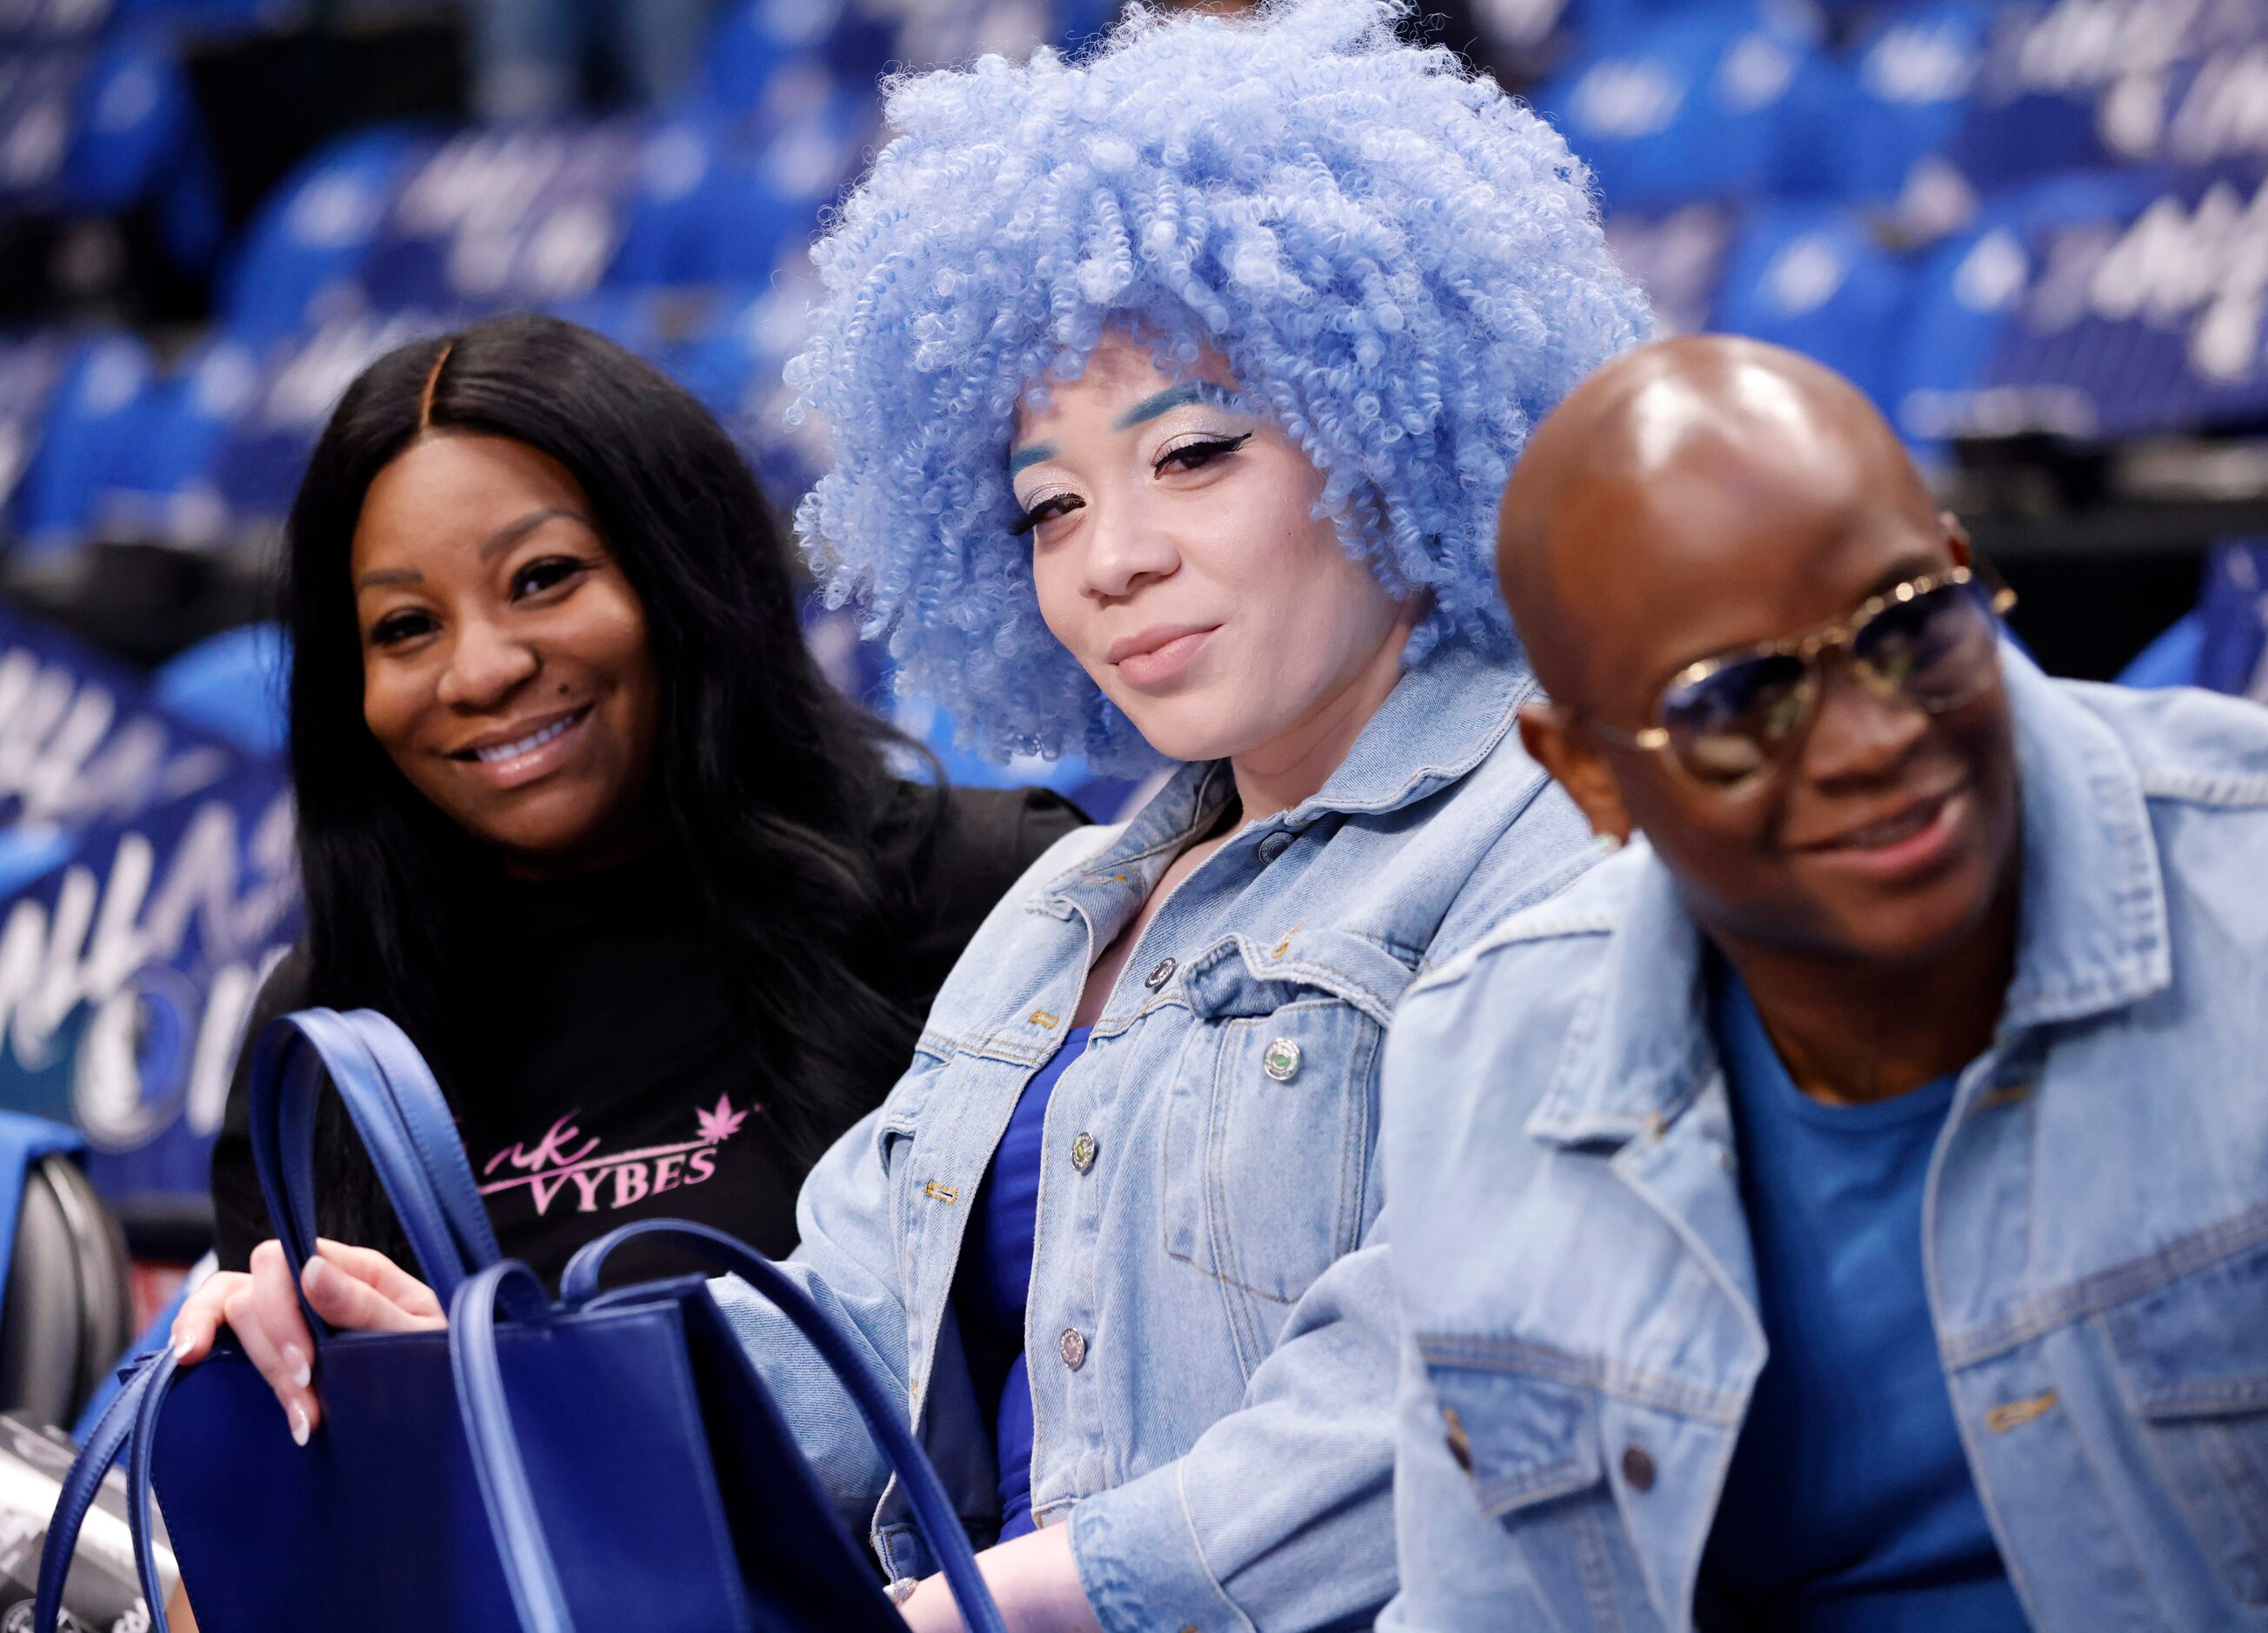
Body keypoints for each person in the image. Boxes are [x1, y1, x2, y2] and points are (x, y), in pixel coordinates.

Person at [188, 3, 1650, 1627]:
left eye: (1197, 452)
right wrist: (431, 1381)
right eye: (1051, 504)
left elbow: (1446, 1389)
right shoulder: (1070, 907)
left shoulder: (1565, 829)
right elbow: (821, 1357)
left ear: (1395, 419)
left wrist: (970, 1608)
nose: (1113, 558)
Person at [1377, 335, 2268, 1631]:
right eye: (1740, 701)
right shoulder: (1482, 1059)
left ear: (1967, 576)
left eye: (1908, 629)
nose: (1875, 737)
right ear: (1587, 774)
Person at [171, 315, 1085, 1444]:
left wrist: (513, 1407)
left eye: (544, 578)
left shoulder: (991, 898)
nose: (485, 668)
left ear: (683, 578)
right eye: (406, 625)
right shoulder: (326, 1038)